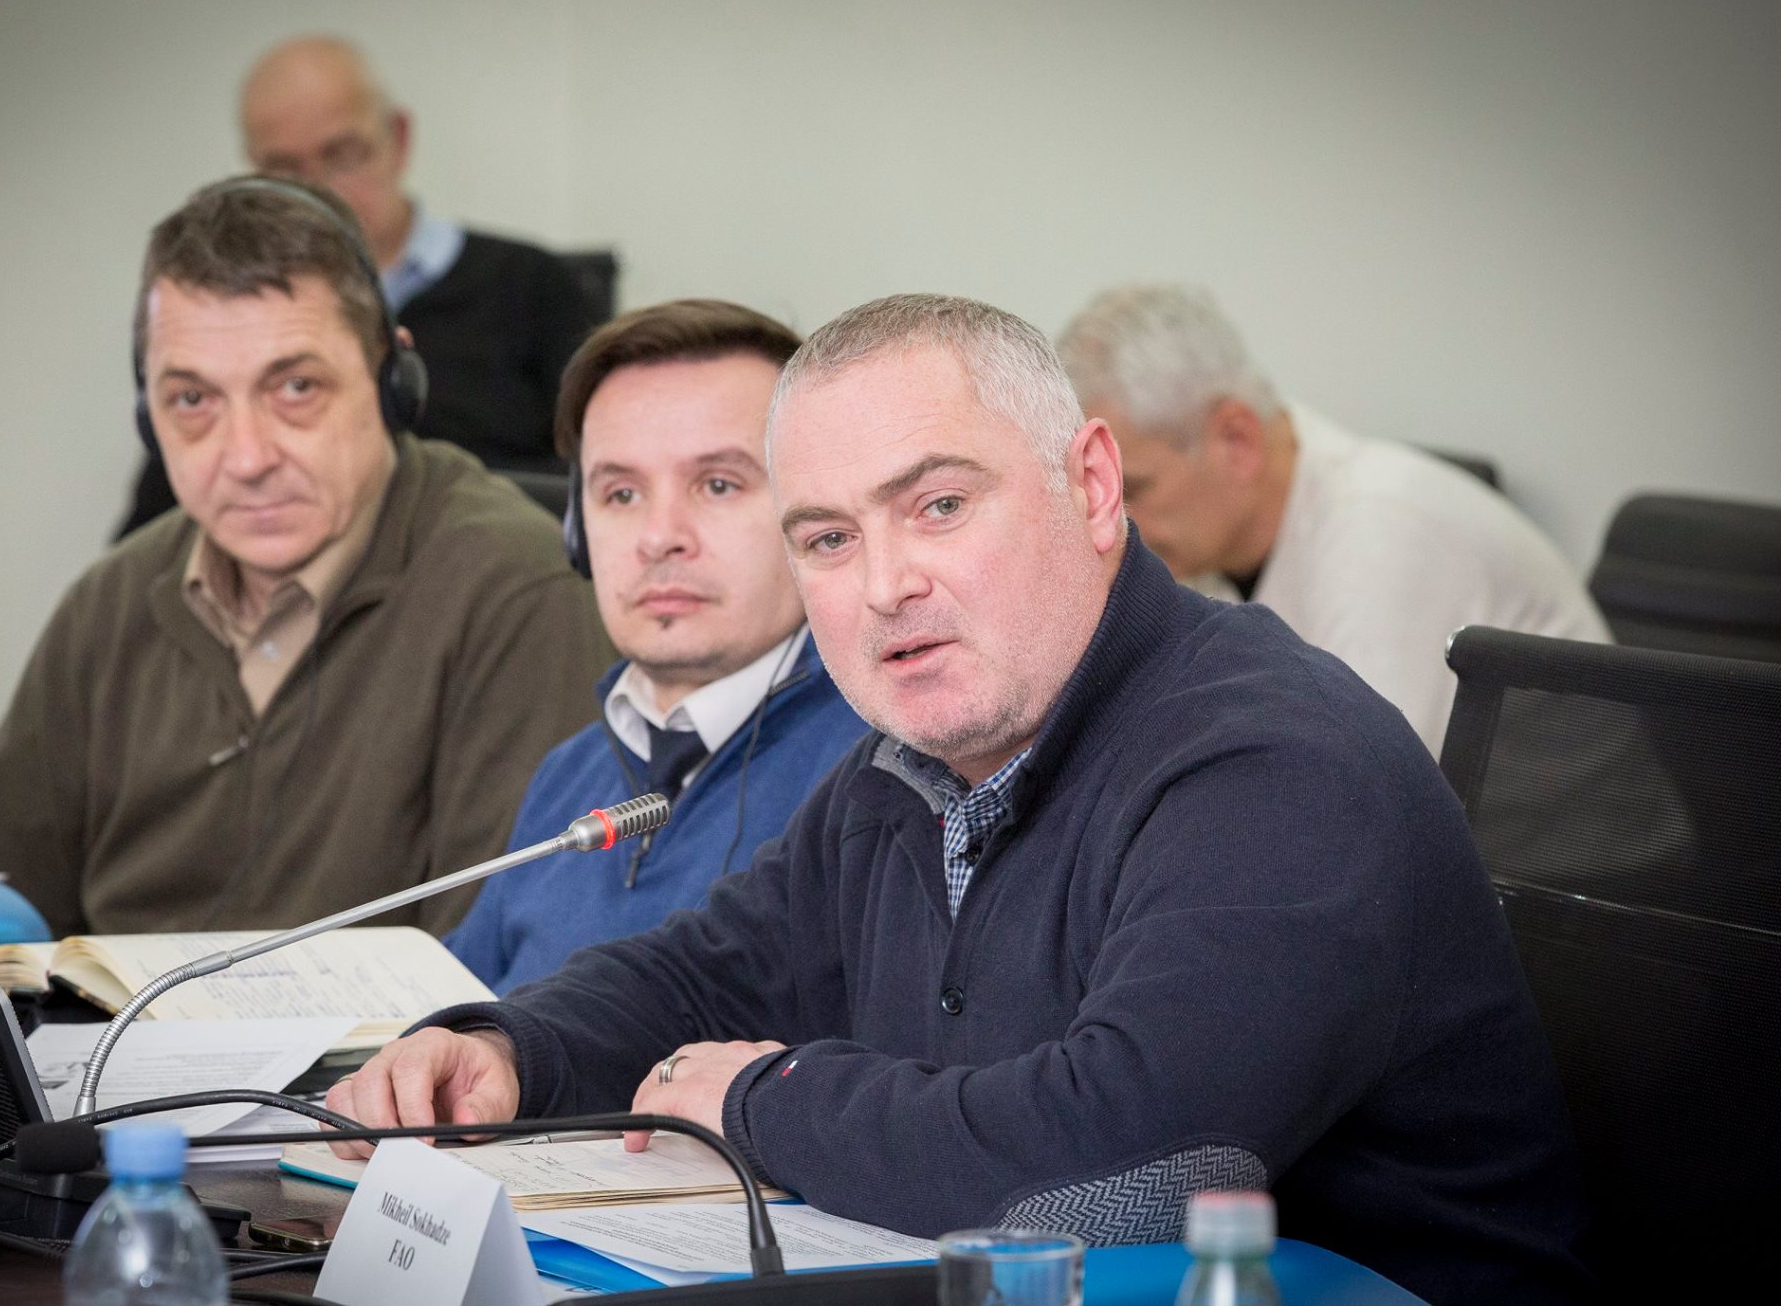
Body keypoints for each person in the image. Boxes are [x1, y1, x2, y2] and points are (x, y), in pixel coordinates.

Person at [327, 295, 1590, 1304]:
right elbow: (706, 977)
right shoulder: (917, 757)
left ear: (1090, 486)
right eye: (827, 539)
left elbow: (1127, 1165)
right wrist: (506, 1051)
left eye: (936, 506)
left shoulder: (1270, 762)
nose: (884, 586)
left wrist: (763, 1102)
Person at [0, 177, 613, 938]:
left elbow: (510, 962)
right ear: (148, 415)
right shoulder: (109, 603)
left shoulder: (516, 594)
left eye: (295, 387)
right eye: (193, 401)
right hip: (107, 1021)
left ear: (394, 381)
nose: (247, 458)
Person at [444, 301, 868, 993]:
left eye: (718, 484)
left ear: (820, 519)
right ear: (577, 532)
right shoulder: (570, 773)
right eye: (621, 494)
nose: (660, 536)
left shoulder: (888, 767)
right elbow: (452, 1003)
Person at [1056, 283, 1610, 756]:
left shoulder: (1381, 533)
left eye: (1135, 488)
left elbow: (1358, 784)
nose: (1109, 516)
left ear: (1236, 439)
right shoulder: (1214, 543)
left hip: (1577, 843)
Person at [118, 34, 598, 536]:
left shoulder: (532, 285)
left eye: (341, 155)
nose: (315, 189)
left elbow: (605, 475)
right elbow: (149, 533)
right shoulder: (228, 327)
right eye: (283, 168)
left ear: (399, 139)